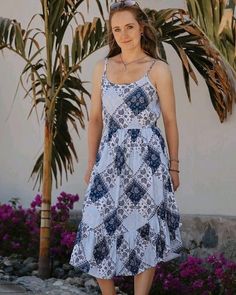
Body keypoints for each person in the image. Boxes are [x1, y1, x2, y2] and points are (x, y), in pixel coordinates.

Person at [70, 1, 183, 294]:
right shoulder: (102, 68)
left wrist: (174, 165)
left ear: (141, 28)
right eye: (117, 29)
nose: (124, 34)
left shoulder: (158, 69)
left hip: (149, 160)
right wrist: (90, 163)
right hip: (110, 156)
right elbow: (95, 120)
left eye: (129, 26)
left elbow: (170, 121)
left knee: (144, 228)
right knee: (97, 225)